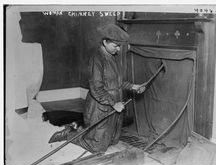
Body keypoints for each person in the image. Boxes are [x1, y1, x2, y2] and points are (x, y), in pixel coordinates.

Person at [49, 24, 145, 153]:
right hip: (100, 107)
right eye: (116, 46)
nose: (118, 49)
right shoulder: (97, 58)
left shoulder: (113, 57)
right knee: (97, 147)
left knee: (113, 141)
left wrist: (133, 86)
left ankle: (81, 129)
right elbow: (96, 88)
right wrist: (113, 103)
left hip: (115, 106)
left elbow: (118, 82)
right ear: (105, 42)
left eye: (119, 46)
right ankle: (70, 134)